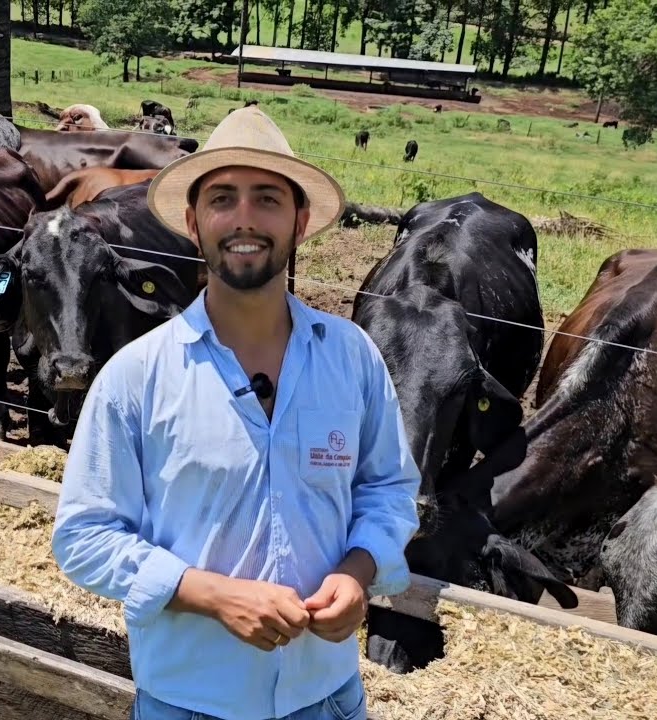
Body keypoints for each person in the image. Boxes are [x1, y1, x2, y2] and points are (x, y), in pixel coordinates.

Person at [50, 107, 422, 720]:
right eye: (223, 199)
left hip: (326, 696)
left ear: (300, 221)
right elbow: (84, 536)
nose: (244, 219)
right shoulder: (137, 376)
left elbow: (387, 490)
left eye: (267, 199)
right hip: (189, 702)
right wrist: (211, 595)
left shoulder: (351, 356)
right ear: (193, 224)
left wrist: (357, 574)